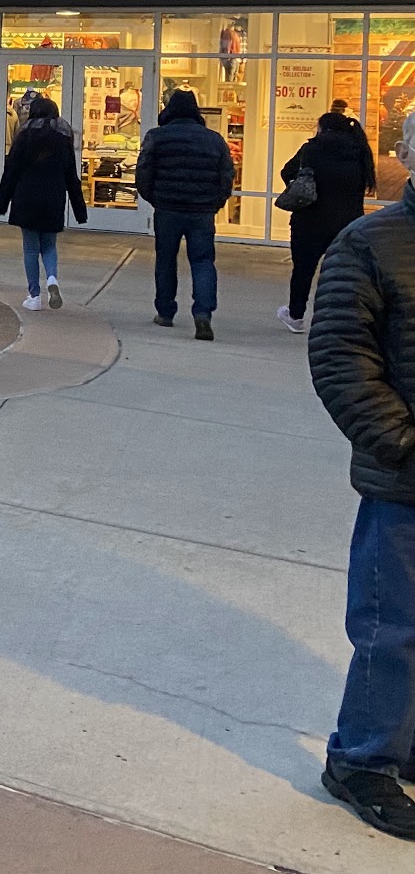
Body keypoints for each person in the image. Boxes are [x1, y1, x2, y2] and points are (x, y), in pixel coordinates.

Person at [310, 112, 415, 837]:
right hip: (404, 482)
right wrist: (402, 443)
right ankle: (364, 758)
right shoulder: (370, 243)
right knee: (393, 627)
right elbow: (340, 358)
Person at [135, 88, 236, 341]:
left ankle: (165, 312)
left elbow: (143, 172)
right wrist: (215, 203)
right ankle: (203, 314)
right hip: (201, 211)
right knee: (203, 261)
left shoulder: (157, 137)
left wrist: (155, 198)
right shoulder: (214, 140)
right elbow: (226, 175)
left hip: (167, 208)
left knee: (165, 259)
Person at [279, 111, 374, 333]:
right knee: (343, 273)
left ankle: (296, 316)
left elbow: (287, 171)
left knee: (303, 270)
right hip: (348, 223)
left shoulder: (311, 149)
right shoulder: (360, 151)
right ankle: (342, 318)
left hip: (310, 220)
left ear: (322, 128)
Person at [0, 94, 86, 311]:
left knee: (30, 248)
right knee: (49, 245)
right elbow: (71, 177)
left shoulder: (24, 136)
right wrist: (80, 210)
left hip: (26, 198)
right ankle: (52, 278)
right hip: (53, 199)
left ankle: (34, 296)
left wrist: (2, 203)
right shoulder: (63, 139)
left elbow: (11, 172)